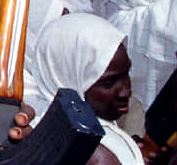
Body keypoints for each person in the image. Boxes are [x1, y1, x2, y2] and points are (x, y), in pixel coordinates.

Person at [26, 13, 143, 165]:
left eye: (126, 73)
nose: (126, 91)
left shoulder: (49, 126)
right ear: (68, 79)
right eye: (108, 82)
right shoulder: (92, 152)